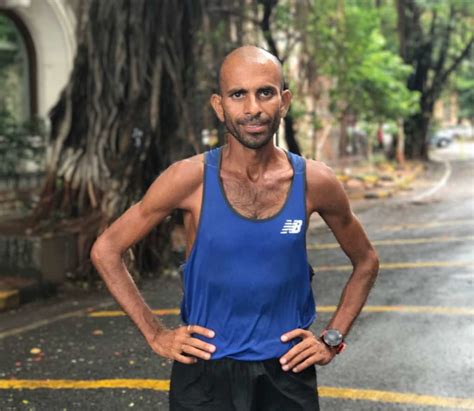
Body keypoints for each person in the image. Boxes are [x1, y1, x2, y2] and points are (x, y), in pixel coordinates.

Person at [91, 45, 379, 410]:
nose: (253, 108)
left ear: (284, 100)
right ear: (219, 105)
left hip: (287, 373)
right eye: (238, 94)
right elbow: (106, 249)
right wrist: (156, 334)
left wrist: (332, 338)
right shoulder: (188, 178)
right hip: (204, 376)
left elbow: (366, 261)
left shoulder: (315, 181)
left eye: (265, 92)